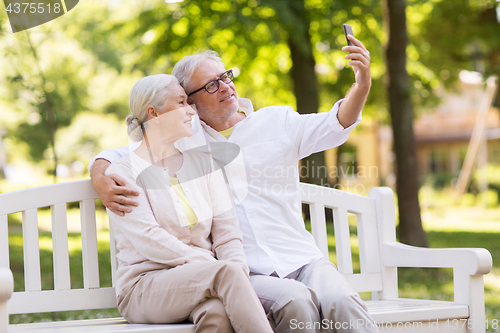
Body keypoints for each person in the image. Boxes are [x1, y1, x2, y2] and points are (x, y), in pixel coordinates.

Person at [90, 35, 379, 332]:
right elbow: (129, 152)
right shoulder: (187, 140)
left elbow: (337, 123)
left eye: (225, 77)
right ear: (189, 101)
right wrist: (99, 175)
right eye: (211, 85)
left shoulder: (277, 121)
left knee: (342, 301)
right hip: (244, 271)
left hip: (302, 259)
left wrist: (361, 86)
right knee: (296, 303)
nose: (226, 87)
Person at [105, 73, 273, 333]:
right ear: (154, 113)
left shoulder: (204, 164)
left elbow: (228, 234)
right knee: (226, 274)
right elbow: (149, 237)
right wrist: (217, 268)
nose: (191, 111)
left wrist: (236, 271)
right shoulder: (124, 173)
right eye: (181, 103)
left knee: (217, 313)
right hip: (145, 286)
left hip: (203, 280)